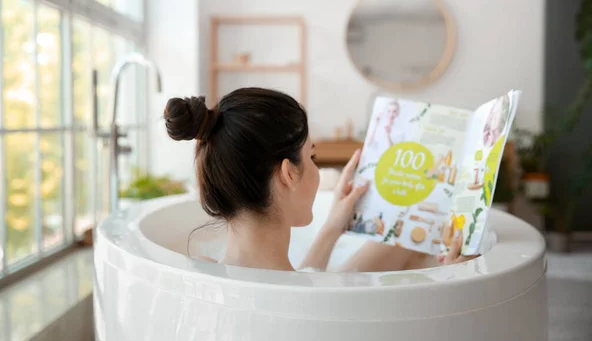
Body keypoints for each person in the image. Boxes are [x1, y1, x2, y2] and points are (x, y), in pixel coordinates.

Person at [164, 87, 471, 272]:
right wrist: (452, 285)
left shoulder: (201, 267)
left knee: (402, 248)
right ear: (288, 173)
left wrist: (332, 227)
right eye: (311, 157)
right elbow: (309, 286)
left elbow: (300, 281)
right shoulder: (319, 298)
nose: (316, 169)